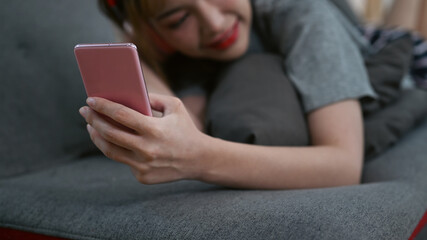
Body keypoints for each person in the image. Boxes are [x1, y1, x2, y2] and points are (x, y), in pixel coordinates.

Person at [77, 0, 412, 189]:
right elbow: (191, 125)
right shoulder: (183, 55)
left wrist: (197, 158)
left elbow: (343, 166)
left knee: (410, 37)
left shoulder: (306, 16)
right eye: (179, 19)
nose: (214, 23)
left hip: (382, 51)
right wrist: (137, 43)